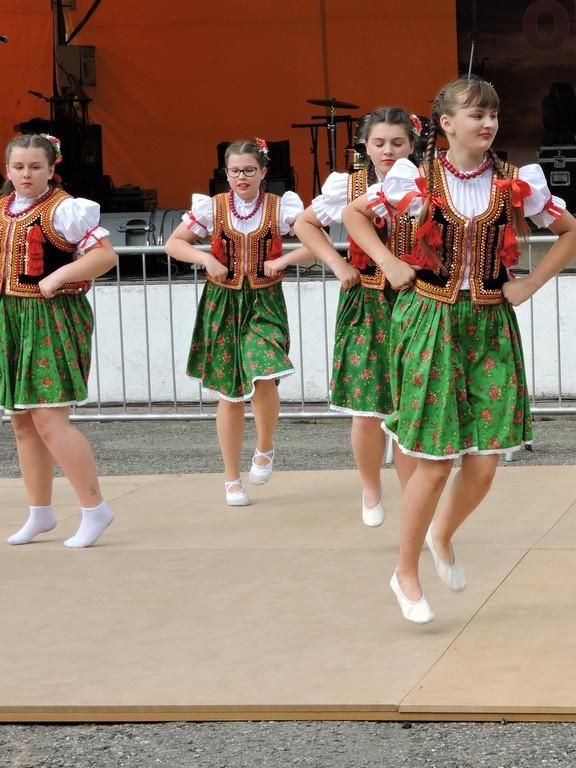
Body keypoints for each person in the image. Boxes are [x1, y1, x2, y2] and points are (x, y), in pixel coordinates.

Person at [343, 76, 576, 623]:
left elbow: (572, 234)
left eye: (493, 114)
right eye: (477, 114)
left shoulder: (514, 180)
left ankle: (442, 534)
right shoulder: (415, 177)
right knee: (433, 462)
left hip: (490, 324)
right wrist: (388, 262)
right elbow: (355, 215)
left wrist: (530, 283)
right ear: (447, 124)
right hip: (429, 319)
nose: (488, 123)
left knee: (486, 458)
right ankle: (405, 572)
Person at [282, 108, 419, 526]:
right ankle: (371, 487)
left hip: (417, 302)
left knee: (412, 405)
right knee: (367, 408)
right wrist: (338, 264)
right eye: (379, 143)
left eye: (397, 143)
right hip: (367, 303)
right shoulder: (349, 185)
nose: (388, 151)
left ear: (412, 144)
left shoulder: (426, 182)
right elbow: (305, 225)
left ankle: (415, 502)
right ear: (365, 145)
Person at [165, 139, 304, 506]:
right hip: (222, 302)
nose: (242, 177)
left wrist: (284, 261)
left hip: (264, 301)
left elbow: (316, 242)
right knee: (230, 392)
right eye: (235, 171)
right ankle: (231, 478)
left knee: (264, 370)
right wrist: (205, 259)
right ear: (225, 174)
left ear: (263, 172)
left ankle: (265, 446)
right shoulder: (212, 208)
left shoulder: (280, 207)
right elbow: (174, 243)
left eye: (249, 170)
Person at [2, 134, 118, 547]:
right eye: (19, 167)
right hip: (12, 318)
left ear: (52, 169)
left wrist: (59, 275)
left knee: (50, 421)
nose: (26, 174)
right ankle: (40, 512)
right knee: (22, 421)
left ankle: (94, 508)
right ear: (7, 169)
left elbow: (105, 256)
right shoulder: (3, 210)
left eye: (35, 166)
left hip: (52, 318)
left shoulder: (65, 210)